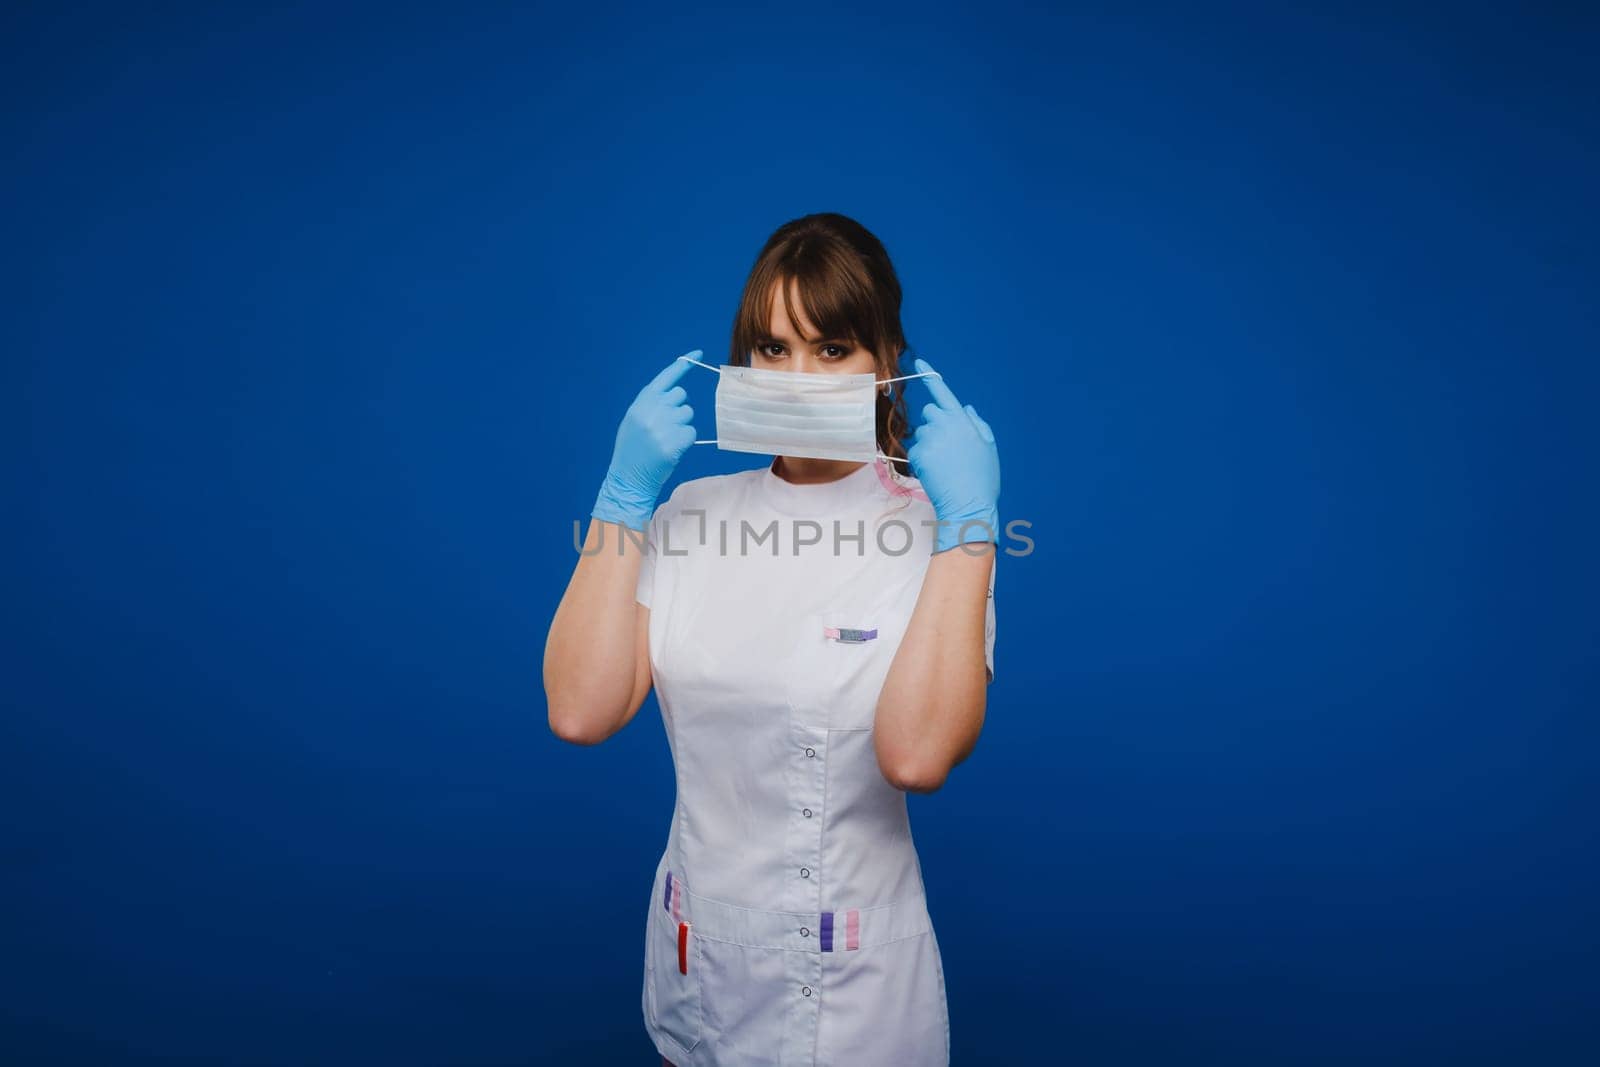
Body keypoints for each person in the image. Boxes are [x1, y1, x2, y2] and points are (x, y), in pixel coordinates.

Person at [544, 212, 999, 1066]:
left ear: (886, 363)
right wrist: (620, 496)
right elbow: (580, 709)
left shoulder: (935, 535)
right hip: (696, 962)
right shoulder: (686, 515)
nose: (797, 378)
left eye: (832, 350)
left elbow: (917, 757)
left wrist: (972, 531)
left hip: (858, 993)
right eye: (772, 347)